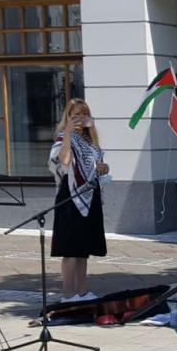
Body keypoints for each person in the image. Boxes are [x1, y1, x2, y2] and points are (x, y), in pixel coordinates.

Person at [49, 99, 108, 302]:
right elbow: (63, 161)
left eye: (84, 114)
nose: (81, 118)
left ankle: (82, 292)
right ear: (68, 116)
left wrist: (103, 168)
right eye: (76, 115)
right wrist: (67, 133)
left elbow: (96, 166)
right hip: (71, 196)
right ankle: (68, 295)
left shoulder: (91, 141)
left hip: (91, 195)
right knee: (70, 249)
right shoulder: (62, 138)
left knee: (84, 249)